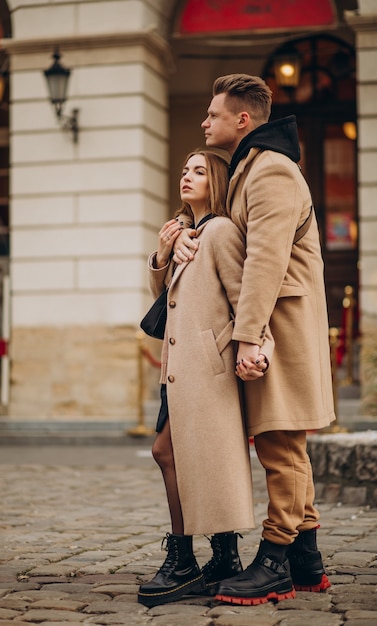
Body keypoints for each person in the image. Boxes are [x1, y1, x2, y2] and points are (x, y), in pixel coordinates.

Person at [173, 74, 336, 606]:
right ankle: (307, 560)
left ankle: (273, 564)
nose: (204, 122)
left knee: (279, 445)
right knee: (283, 441)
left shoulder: (270, 171)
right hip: (271, 326)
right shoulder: (252, 168)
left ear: (242, 120)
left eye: (213, 114)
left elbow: (265, 261)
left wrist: (248, 339)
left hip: (278, 330)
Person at [138, 149, 273, 608]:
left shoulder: (220, 232)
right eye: (183, 170)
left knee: (168, 452)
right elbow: (167, 300)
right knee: (183, 457)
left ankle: (183, 560)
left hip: (206, 368)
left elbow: (245, 297)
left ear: (216, 180)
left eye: (198, 171)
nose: (186, 176)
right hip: (177, 368)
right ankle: (222, 557)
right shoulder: (185, 232)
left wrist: (257, 346)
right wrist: (162, 252)